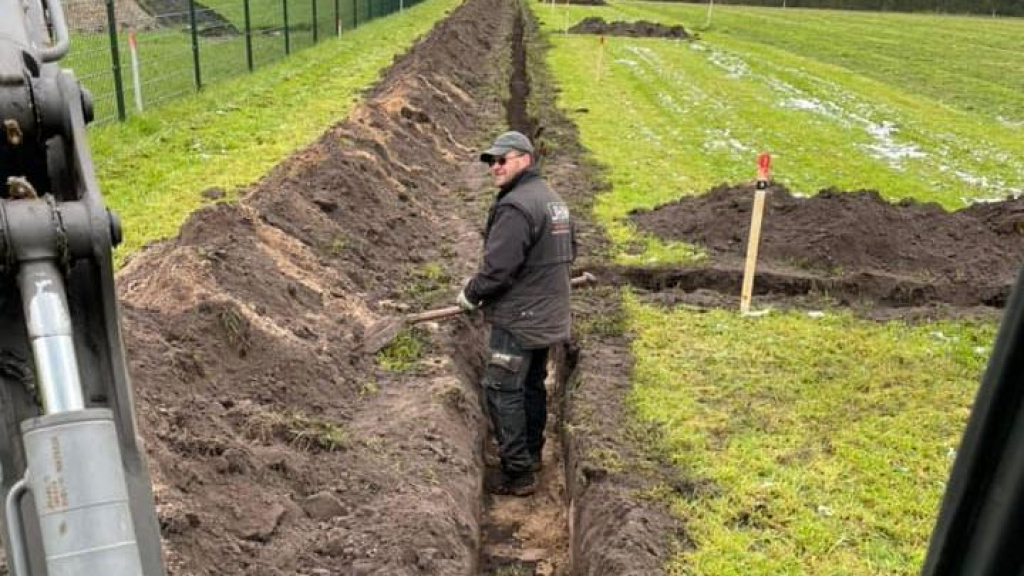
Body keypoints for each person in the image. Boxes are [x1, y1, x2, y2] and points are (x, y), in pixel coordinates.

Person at [457, 130, 575, 497]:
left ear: (524, 159)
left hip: (519, 317)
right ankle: (532, 454)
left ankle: (518, 473)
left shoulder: (515, 207)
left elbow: (498, 270)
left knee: (502, 388)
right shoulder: (553, 201)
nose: (495, 166)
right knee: (531, 384)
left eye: (502, 159)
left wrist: (470, 294)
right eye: (491, 161)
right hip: (549, 313)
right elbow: (570, 251)